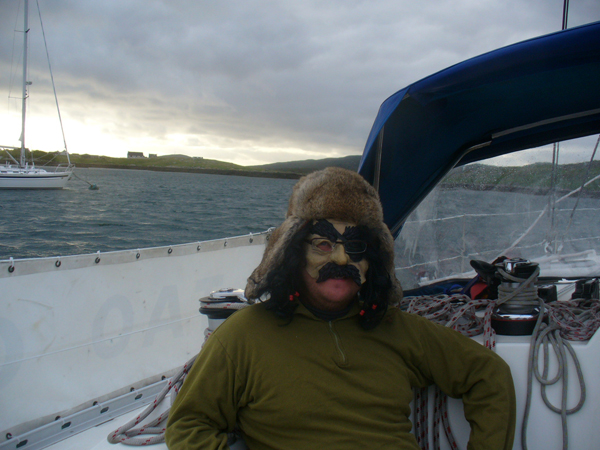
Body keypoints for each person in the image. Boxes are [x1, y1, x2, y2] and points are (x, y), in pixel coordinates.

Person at [165, 167, 516, 450]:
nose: (341, 258)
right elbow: (188, 424)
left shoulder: (397, 328)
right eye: (322, 243)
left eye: (356, 246)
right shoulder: (243, 336)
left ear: (373, 258)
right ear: (291, 252)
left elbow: (488, 376)